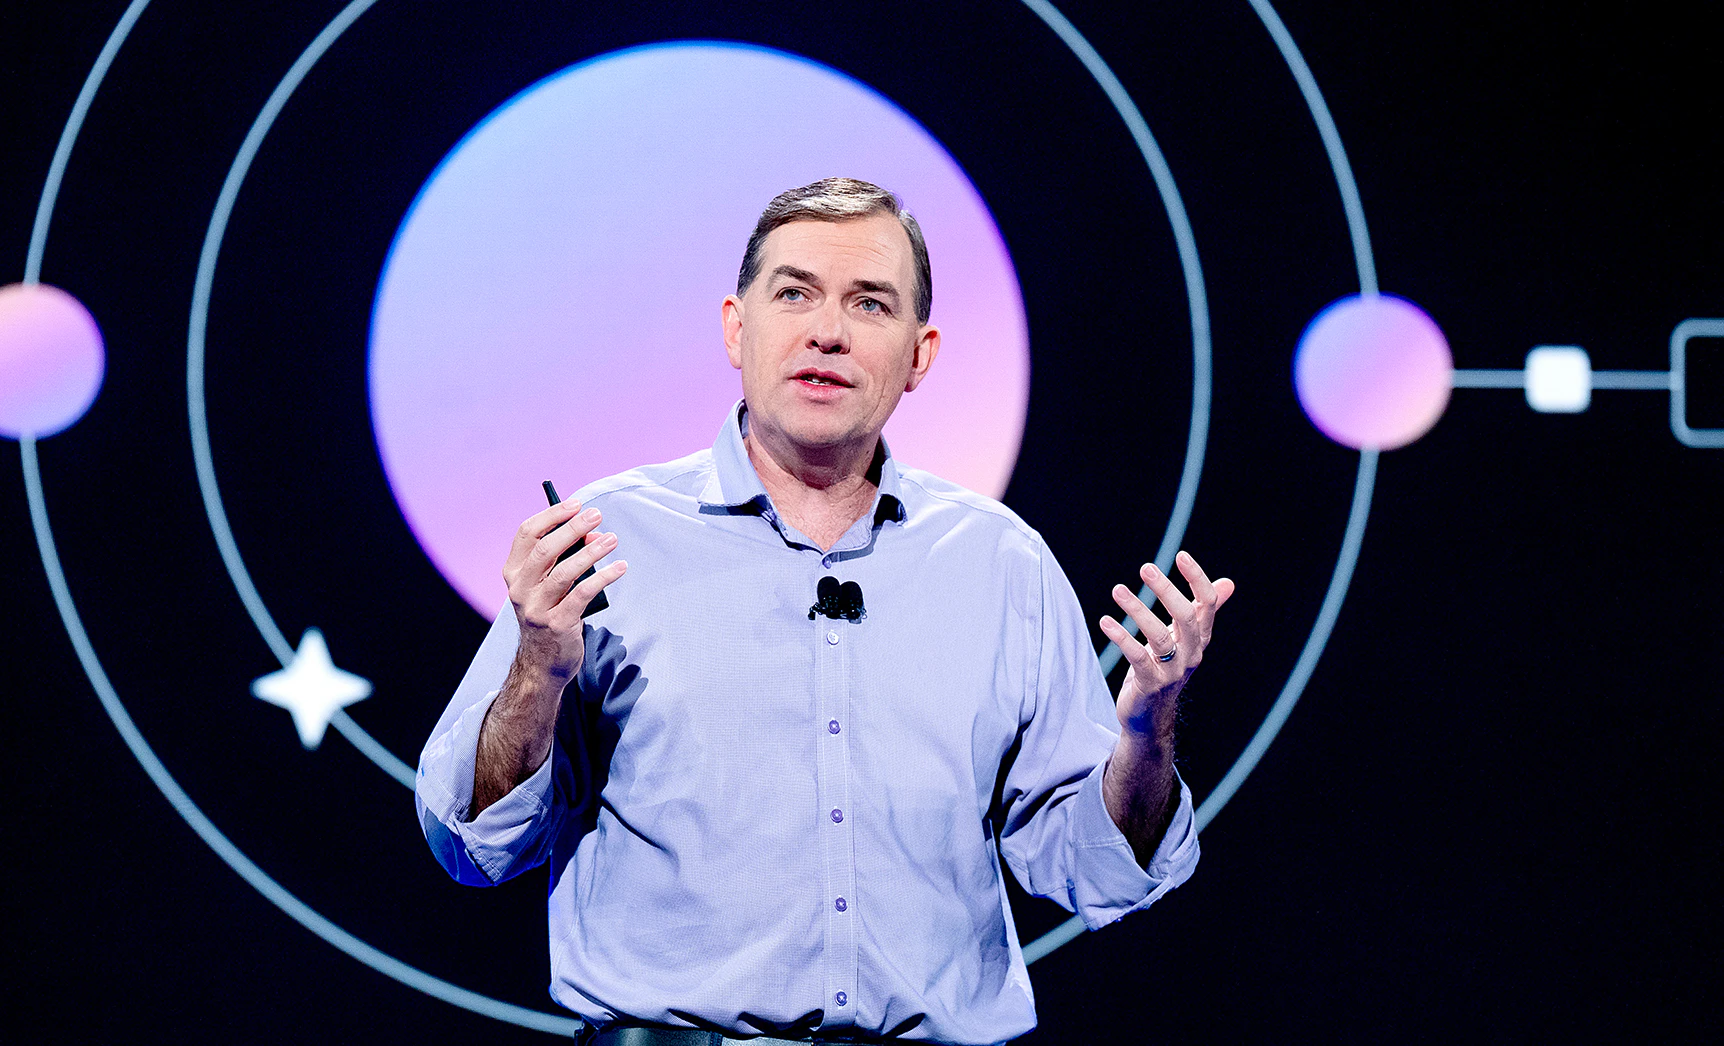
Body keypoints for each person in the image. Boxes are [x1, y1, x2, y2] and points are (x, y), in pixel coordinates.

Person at [415, 178, 1235, 1046]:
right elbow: (473, 842)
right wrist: (537, 670)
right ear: (737, 327)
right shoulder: (606, 541)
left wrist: (1149, 729)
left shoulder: (1002, 564)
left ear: (920, 355)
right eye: (794, 293)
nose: (827, 331)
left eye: (869, 303)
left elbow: (1092, 872)